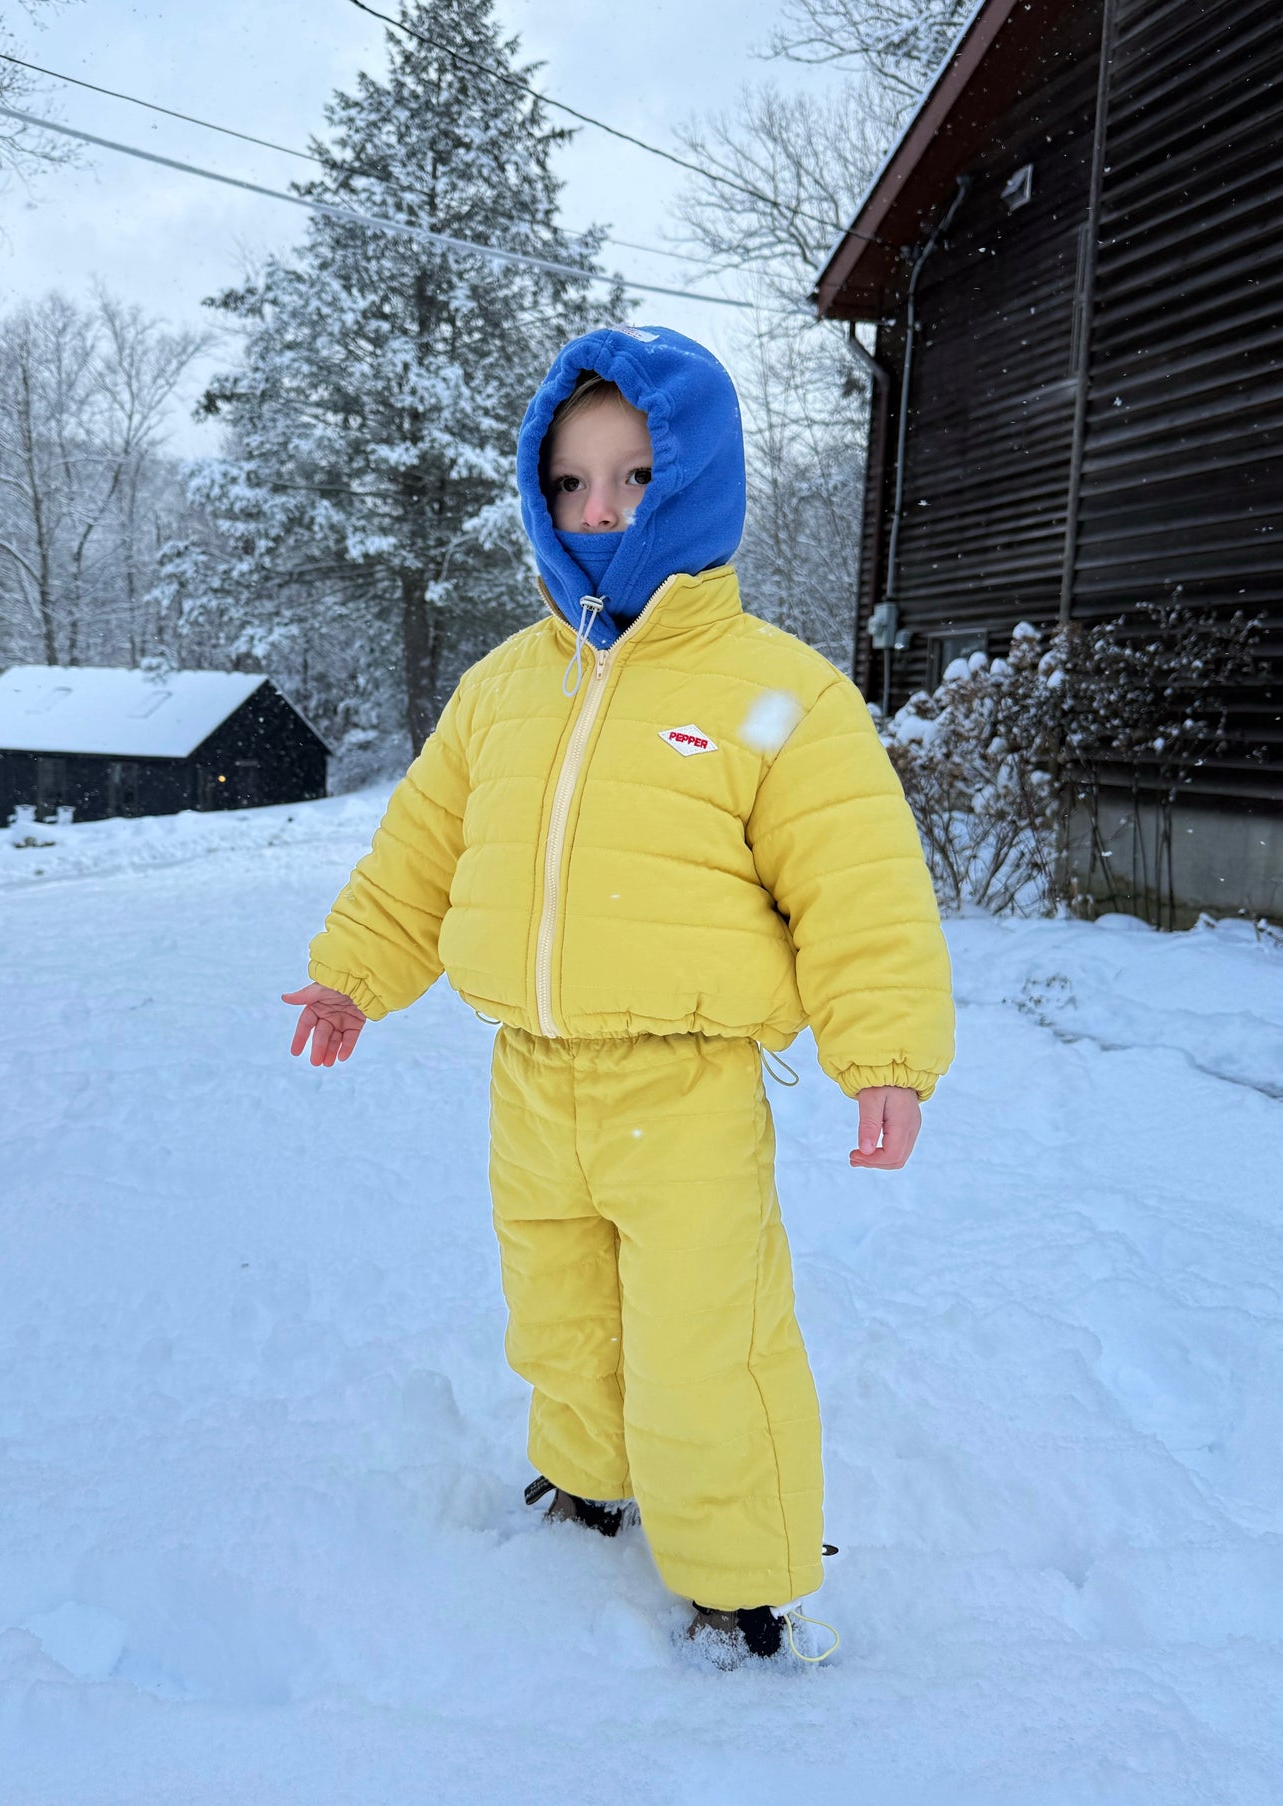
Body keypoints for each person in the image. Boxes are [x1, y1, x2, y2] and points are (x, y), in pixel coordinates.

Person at [283, 324, 955, 1666]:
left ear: (697, 484)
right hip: (531, 1074)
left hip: (687, 1082)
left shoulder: (774, 696)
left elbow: (856, 883)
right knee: (560, 1310)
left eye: (633, 478)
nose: (599, 510)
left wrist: (882, 1052)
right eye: (572, 482)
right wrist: (358, 972)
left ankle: (742, 1577)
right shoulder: (501, 689)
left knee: (710, 1341)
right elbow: (421, 849)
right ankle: (588, 1478)